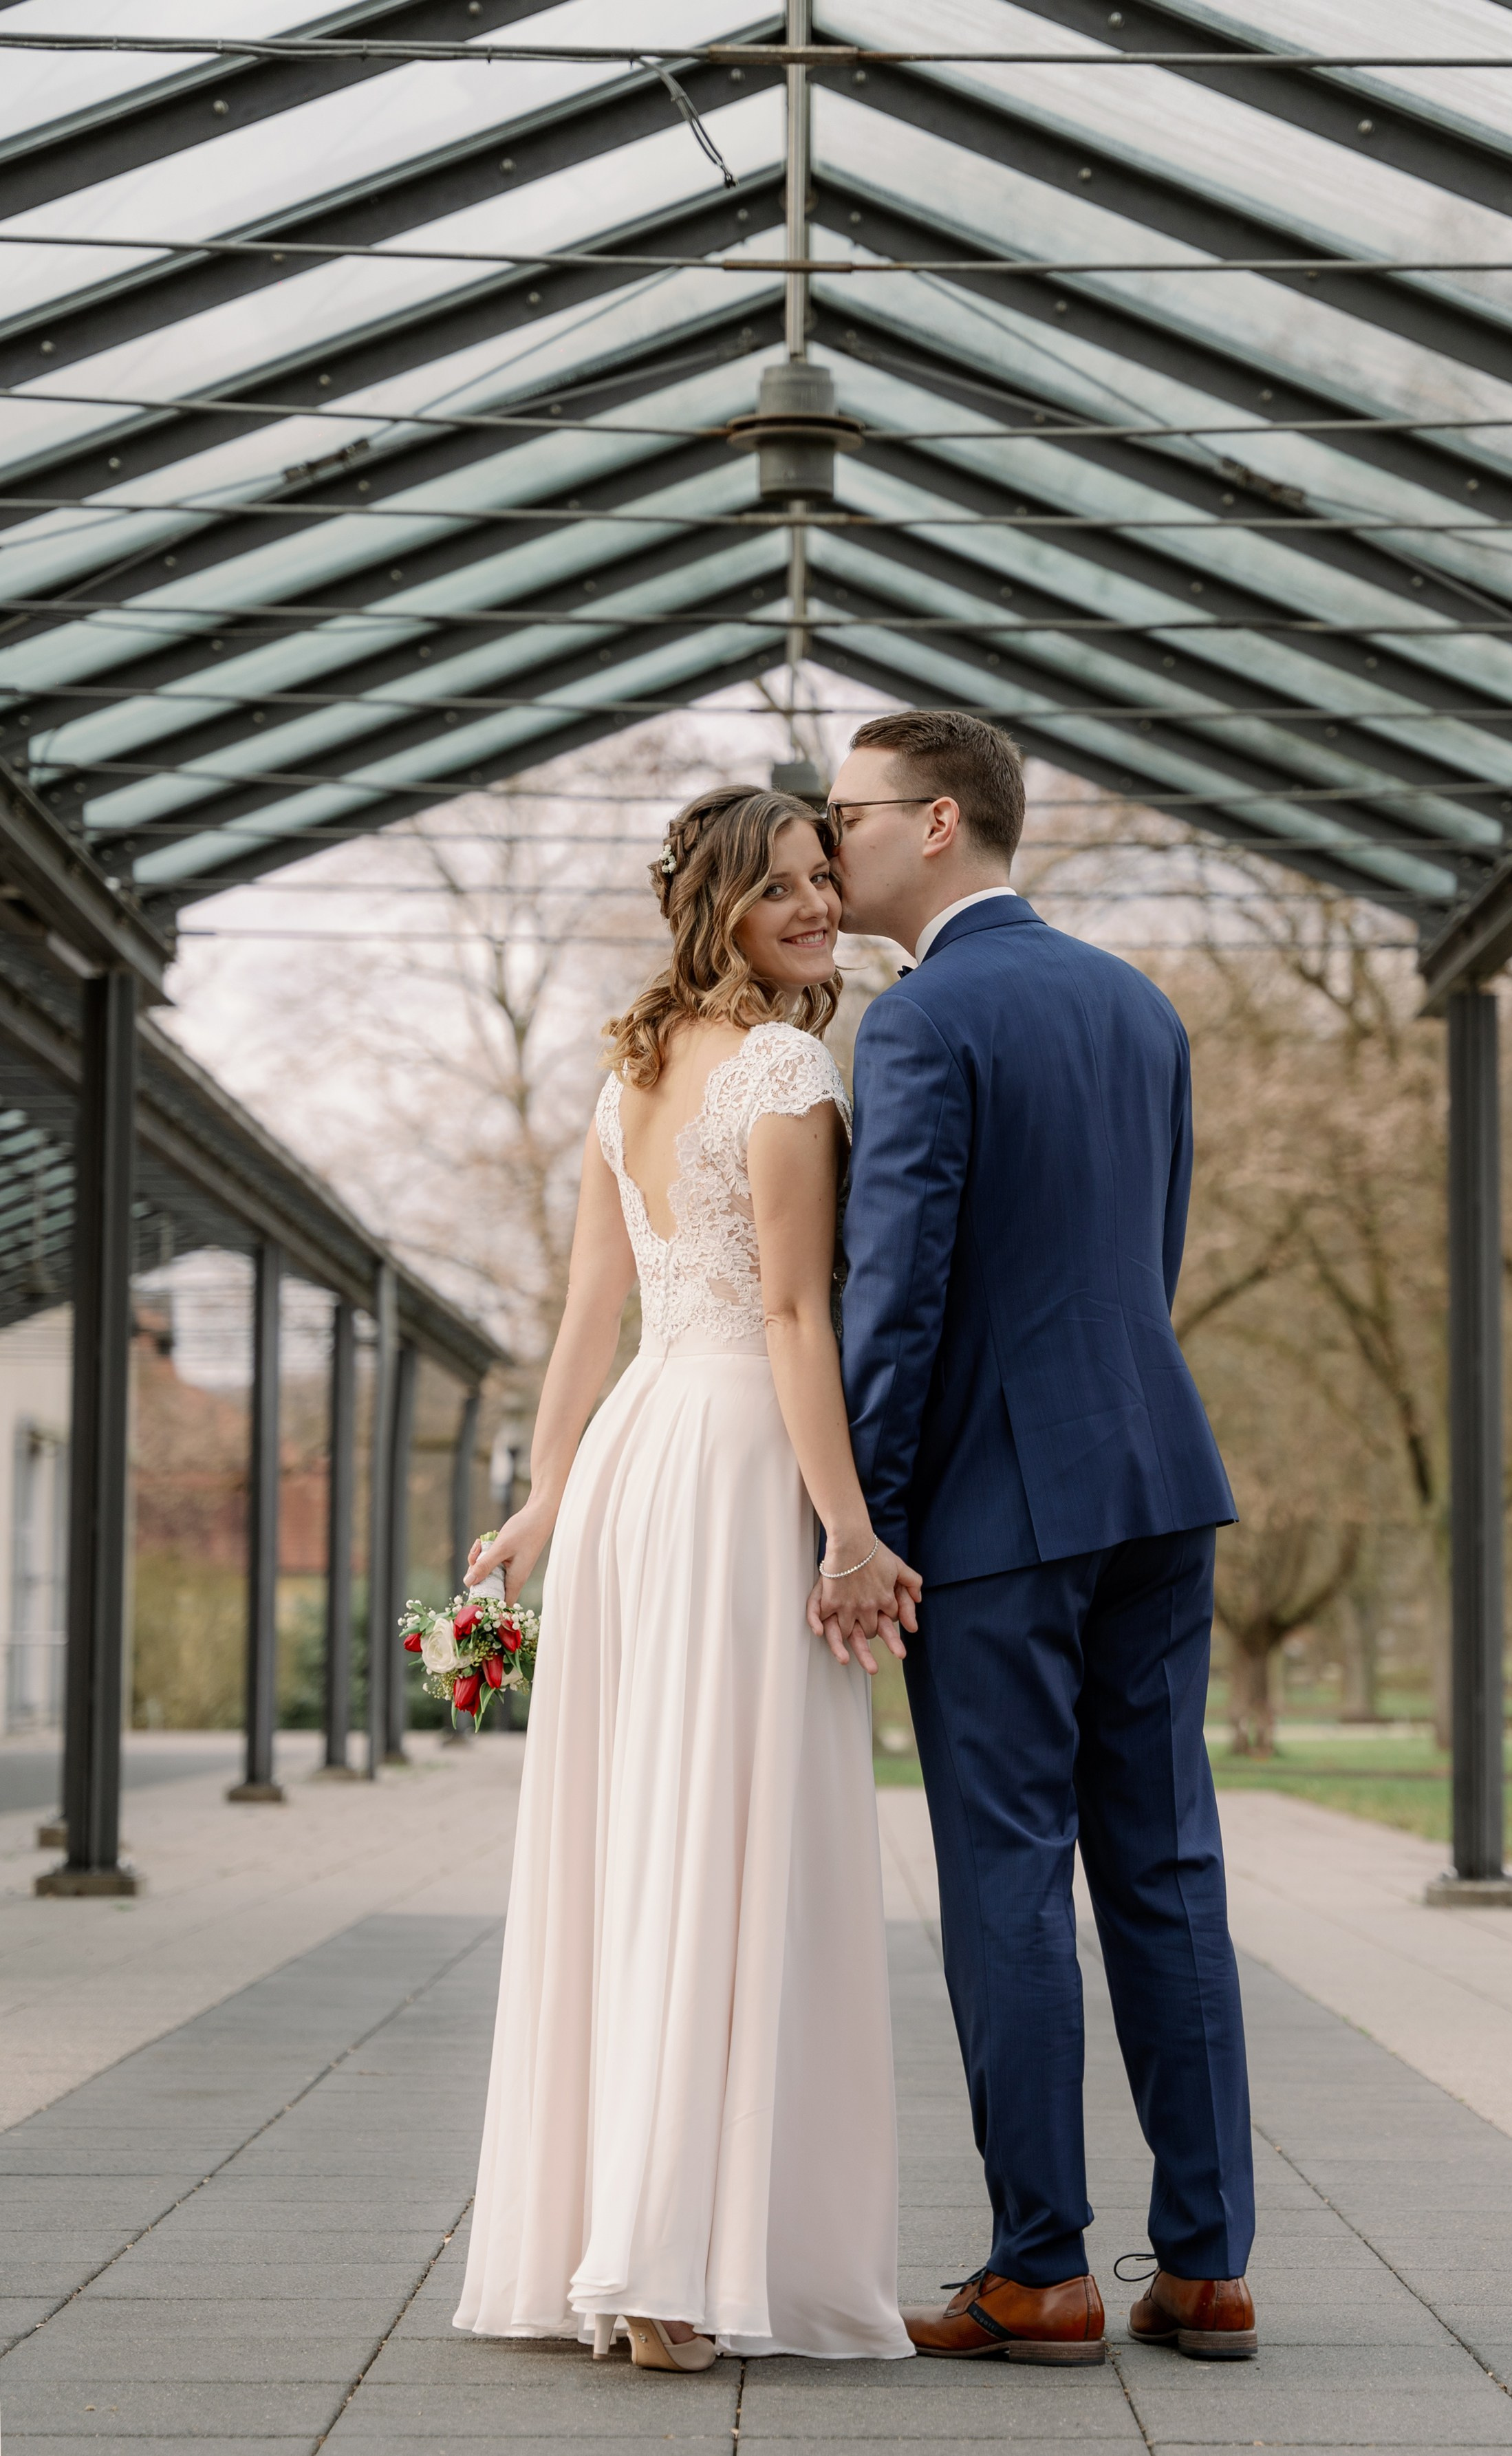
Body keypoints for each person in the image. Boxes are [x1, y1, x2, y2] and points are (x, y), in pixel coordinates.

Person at [453, 787, 917, 2372]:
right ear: (712, 905)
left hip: (643, 1459)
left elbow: (590, 1316)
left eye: (820, 880)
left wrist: (548, 1496)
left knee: (643, 1843)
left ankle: (634, 2240)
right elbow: (798, 1321)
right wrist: (848, 1531)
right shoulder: (785, 1068)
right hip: (731, 1462)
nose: (810, 907)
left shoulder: (630, 1075)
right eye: (777, 887)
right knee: (724, 1844)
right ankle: (662, 2265)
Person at [818, 710, 1258, 2365]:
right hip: (1156, 1478)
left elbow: (901, 1294)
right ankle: (1208, 2266)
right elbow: (1150, 1252)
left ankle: (1042, 2268)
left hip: (999, 1514)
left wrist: (862, 1520)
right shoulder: (1140, 1006)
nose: (828, 835)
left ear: (937, 823)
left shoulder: (924, 1020)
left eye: (847, 810)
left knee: (1007, 1868)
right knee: (1167, 1866)